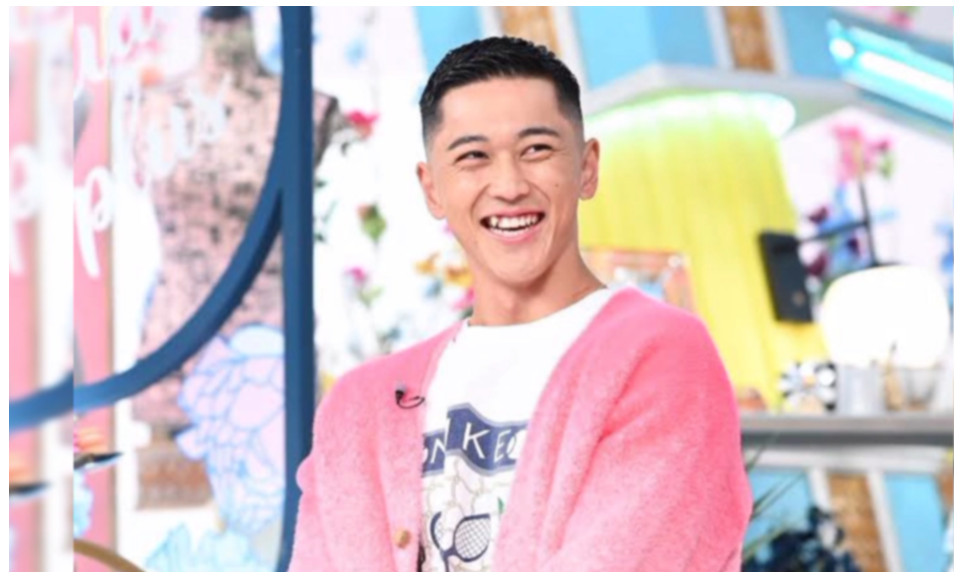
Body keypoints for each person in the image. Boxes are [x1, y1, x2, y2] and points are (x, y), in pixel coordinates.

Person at [289, 36, 751, 572]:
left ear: (587, 167)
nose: (508, 186)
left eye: (536, 150)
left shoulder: (660, 355)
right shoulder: (358, 407)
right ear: (432, 188)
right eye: (473, 157)